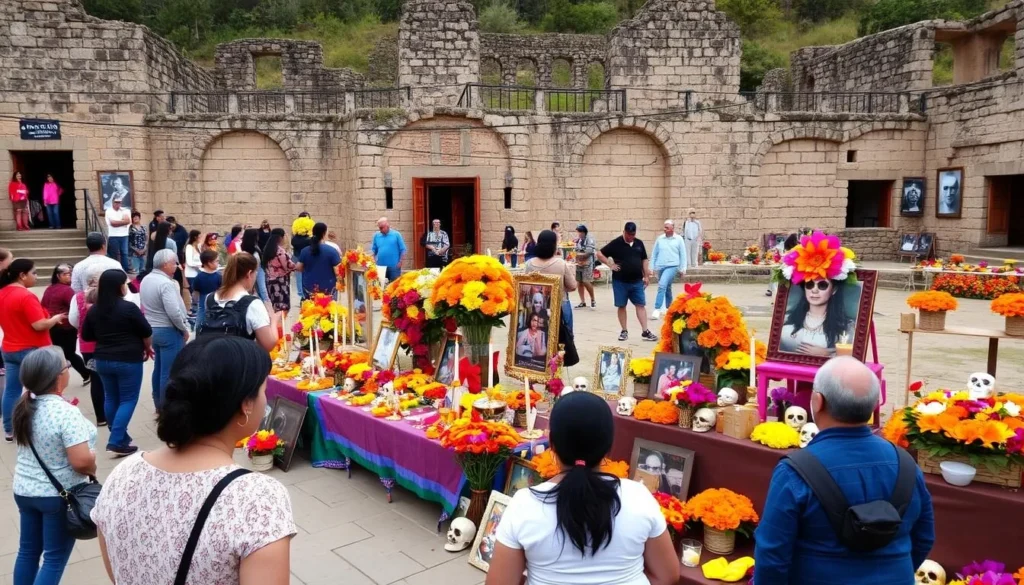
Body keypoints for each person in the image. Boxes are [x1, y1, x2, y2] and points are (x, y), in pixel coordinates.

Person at [91, 336, 296, 585]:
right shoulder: (256, 499)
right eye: (264, 391)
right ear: (245, 405)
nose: (266, 400)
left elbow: (117, 572)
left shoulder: (123, 474)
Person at [754, 357, 935, 584]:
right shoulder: (906, 464)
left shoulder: (794, 472)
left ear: (817, 401)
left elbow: (772, 555)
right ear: (874, 405)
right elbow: (924, 537)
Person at [486, 391, 680, 585]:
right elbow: (667, 576)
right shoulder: (638, 496)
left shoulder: (524, 505)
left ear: (551, 443)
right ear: (609, 446)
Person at [12, 346, 97, 585]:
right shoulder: (65, 412)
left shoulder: (24, 405)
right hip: (58, 497)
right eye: (66, 367)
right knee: (54, 558)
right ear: (57, 376)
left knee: (27, 552)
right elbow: (81, 462)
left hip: (25, 490)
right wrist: (92, 462)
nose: (68, 370)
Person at [81, 269, 153, 457]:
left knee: (111, 397)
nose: (126, 286)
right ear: (118, 287)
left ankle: (121, 439)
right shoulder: (128, 308)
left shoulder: (94, 309)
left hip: (102, 358)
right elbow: (146, 331)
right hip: (128, 358)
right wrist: (147, 348)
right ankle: (115, 440)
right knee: (128, 399)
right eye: (124, 283)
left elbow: (87, 335)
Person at [0, 259, 65, 442]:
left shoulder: (2, 293)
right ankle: (42, 427)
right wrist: (55, 319)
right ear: (22, 275)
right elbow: (39, 325)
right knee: (44, 390)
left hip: (10, 347)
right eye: (34, 273)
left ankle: (10, 429)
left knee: (11, 390)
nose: (36, 277)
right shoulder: (25, 296)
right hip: (33, 349)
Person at [141, 249, 190, 410]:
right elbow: (174, 312)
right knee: (169, 372)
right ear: (165, 264)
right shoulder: (165, 283)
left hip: (152, 329)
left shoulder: (147, 279)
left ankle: (158, 402)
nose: (176, 266)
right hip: (168, 330)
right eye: (174, 263)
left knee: (159, 368)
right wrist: (183, 328)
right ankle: (165, 407)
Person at [202, 253, 278, 351]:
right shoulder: (252, 304)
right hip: (239, 362)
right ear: (249, 274)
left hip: (211, 360)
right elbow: (268, 344)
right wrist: (274, 321)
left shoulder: (210, 298)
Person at [596, 222, 655, 343]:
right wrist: (610, 264)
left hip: (637, 281)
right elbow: (599, 254)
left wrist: (646, 276)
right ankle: (624, 330)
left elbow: (644, 260)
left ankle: (645, 330)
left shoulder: (639, 243)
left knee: (640, 305)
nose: (630, 237)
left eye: (632, 235)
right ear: (624, 232)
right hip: (620, 281)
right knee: (621, 305)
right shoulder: (616, 243)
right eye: (628, 234)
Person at [68, 265, 106, 427]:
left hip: (87, 346)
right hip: (106, 345)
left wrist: (83, 329)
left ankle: (101, 417)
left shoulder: (77, 297)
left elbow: (73, 320)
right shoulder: (107, 296)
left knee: (96, 378)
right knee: (109, 380)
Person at [41, 264, 90, 383]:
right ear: (58, 276)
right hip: (65, 327)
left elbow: (42, 305)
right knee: (69, 353)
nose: (70, 276)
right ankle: (86, 374)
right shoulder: (67, 290)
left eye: (71, 274)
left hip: (52, 326)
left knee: (61, 353)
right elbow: (75, 308)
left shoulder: (50, 288)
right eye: (66, 274)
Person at [780, 278, 854, 357]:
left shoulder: (846, 326)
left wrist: (828, 354)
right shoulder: (785, 319)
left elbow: (852, 359)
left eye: (822, 285)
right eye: (809, 285)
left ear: (834, 290)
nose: (814, 290)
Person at [524, 229, 577, 333]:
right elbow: (572, 286)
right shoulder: (560, 263)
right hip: (559, 305)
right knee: (565, 338)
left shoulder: (529, 264)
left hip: (536, 309)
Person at [650, 219, 687, 320]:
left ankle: (657, 309)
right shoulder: (660, 239)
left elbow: (683, 255)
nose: (664, 229)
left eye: (667, 228)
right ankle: (669, 308)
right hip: (660, 266)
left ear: (672, 229)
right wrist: (651, 267)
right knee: (667, 287)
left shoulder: (678, 239)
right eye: (664, 227)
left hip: (672, 266)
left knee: (662, 284)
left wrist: (683, 269)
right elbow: (654, 254)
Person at [296, 222, 341, 300]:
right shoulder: (331, 251)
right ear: (324, 234)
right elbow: (337, 271)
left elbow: (299, 268)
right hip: (328, 288)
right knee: (329, 310)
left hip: (309, 288)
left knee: (312, 310)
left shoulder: (305, 251)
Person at [263, 229, 296, 321]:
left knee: (276, 306)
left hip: (270, 281)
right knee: (283, 307)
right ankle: (279, 328)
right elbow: (287, 265)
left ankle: (277, 326)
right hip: (280, 282)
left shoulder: (267, 250)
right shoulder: (280, 251)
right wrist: (297, 266)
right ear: (280, 237)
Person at [192, 249, 222, 333]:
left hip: (207, 302)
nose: (218, 263)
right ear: (209, 263)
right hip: (211, 302)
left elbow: (195, 292)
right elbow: (196, 292)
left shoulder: (199, 276)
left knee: (201, 316)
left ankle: (199, 331)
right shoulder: (217, 277)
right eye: (216, 261)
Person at [371, 216, 407, 282]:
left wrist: (400, 262)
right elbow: (373, 250)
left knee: (394, 287)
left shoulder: (396, 235)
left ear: (387, 225)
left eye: (381, 228)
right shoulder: (376, 236)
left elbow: (403, 249)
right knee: (380, 288)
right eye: (379, 228)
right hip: (380, 267)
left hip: (394, 267)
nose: (380, 230)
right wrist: (373, 260)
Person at [240, 227, 270, 302]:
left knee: (261, 290)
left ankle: (266, 304)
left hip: (258, 269)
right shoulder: (250, 249)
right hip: (254, 269)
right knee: (260, 289)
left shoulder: (255, 246)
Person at [105, 195, 132, 272]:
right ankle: (115, 269)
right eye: (116, 202)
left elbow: (128, 221)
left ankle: (125, 270)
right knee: (114, 254)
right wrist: (123, 221)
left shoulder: (126, 210)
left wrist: (118, 222)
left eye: (119, 202)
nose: (118, 204)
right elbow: (113, 223)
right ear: (113, 202)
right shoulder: (109, 211)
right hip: (113, 235)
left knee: (124, 253)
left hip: (124, 235)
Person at [573, 224, 597, 309]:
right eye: (577, 232)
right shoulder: (578, 240)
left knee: (586, 281)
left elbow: (589, 252)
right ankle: (582, 301)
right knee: (579, 282)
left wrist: (578, 254)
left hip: (587, 264)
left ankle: (593, 299)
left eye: (579, 232)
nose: (578, 234)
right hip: (578, 263)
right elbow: (574, 249)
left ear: (583, 232)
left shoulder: (589, 240)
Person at [290, 213, 312, 296]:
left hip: (298, 256)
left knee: (299, 276)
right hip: (301, 257)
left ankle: (302, 293)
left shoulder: (295, 237)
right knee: (301, 276)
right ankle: (303, 293)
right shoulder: (308, 239)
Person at [128, 211, 148, 275]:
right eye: (134, 217)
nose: (135, 218)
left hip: (143, 252)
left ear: (139, 218)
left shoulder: (144, 227)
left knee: (143, 271)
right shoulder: (130, 228)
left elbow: (146, 238)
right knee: (135, 272)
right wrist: (136, 250)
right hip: (134, 253)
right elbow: (129, 241)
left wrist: (145, 248)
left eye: (137, 216)